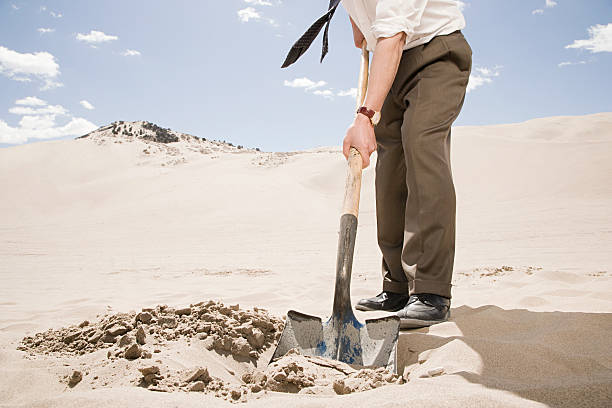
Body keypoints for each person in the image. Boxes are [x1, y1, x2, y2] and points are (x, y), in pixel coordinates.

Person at [340, 0, 472, 328]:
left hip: (435, 53)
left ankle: (431, 291)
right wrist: (360, 25)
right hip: (390, 64)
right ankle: (396, 286)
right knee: (389, 174)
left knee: (421, 143)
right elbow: (363, 34)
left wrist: (365, 115)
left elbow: (394, 34)